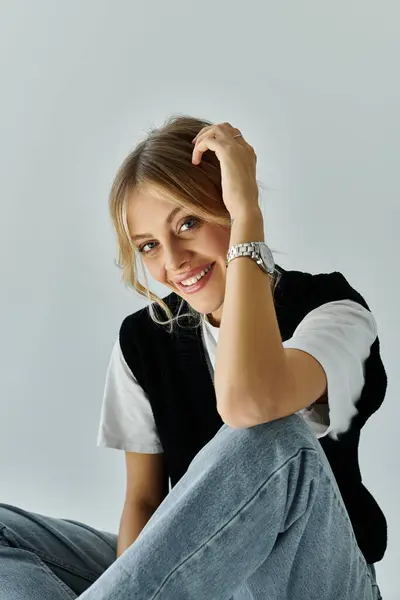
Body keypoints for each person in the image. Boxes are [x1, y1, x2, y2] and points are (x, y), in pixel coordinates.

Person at [0, 116, 386, 599]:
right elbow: (144, 500)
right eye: (149, 246)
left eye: (188, 222)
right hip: (198, 579)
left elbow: (248, 403)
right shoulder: (143, 341)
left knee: (271, 435)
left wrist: (248, 216)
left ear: (229, 205)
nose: (175, 260)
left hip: (311, 581)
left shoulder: (332, 310)